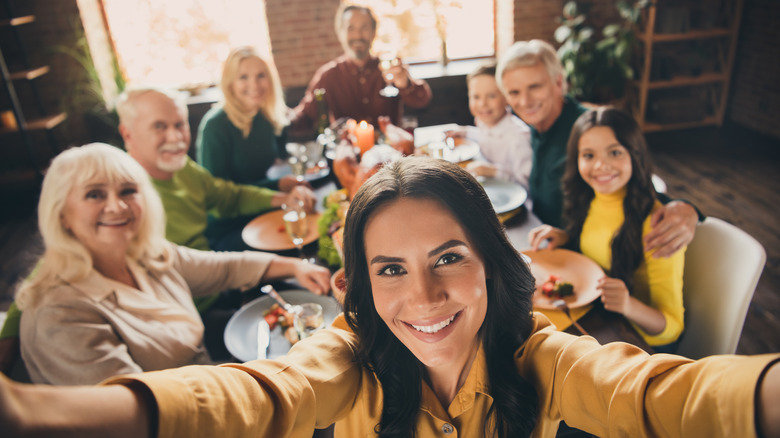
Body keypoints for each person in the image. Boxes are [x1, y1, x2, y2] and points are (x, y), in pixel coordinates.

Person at [2, 157, 778, 438]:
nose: (427, 294)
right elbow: (258, 395)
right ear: (361, 287)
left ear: (491, 261)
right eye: (391, 269)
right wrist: (33, 412)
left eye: (448, 258)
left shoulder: (543, 355)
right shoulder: (351, 354)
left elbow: (660, 393)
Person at [16, 143, 330, 385]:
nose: (117, 206)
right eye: (95, 195)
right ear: (61, 215)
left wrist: (295, 268)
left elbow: (224, 268)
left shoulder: (145, 255)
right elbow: (133, 416)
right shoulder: (58, 315)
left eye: (128, 191)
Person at [497, 39, 698, 258]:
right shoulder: (539, 125)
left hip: (594, 258)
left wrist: (686, 209)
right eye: (514, 92)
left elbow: (638, 187)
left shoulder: (591, 130)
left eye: (534, 87)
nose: (524, 101)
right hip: (553, 243)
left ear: (558, 83)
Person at [528, 108, 684, 351]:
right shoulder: (588, 196)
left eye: (614, 152)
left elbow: (672, 327)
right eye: (588, 155)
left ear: (636, 155)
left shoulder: (656, 226)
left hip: (635, 343)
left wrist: (628, 305)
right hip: (593, 320)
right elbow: (600, 243)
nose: (601, 165)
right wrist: (568, 237)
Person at [291, 3, 432, 134]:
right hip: (349, 155)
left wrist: (405, 83)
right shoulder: (328, 75)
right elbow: (305, 116)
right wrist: (279, 116)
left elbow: (422, 100)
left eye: (364, 28)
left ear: (373, 32)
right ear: (340, 33)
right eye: (351, 29)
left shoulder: (390, 68)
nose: (358, 36)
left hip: (392, 153)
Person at [196, 46, 296, 191]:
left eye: (261, 76)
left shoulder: (265, 116)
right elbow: (218, 193)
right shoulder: (215, 125)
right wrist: (276, 186)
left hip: (270, 202)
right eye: (243, 77)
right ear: (230, 84)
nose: (254, 85)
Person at [449, 62, 533, 188]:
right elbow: (488, 137)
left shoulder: (519, 137)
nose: (482, 103)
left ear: (506, 97)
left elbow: (527, 182)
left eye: (491, 96)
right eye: (476, 97)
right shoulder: (483, 121)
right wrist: (465, 131)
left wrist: (493, 171)